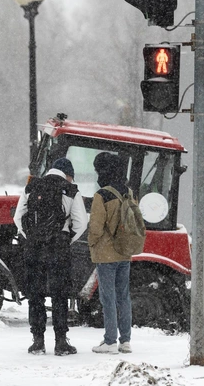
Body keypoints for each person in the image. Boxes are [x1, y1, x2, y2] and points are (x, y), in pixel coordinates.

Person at [13, 158, 88, 356]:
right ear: (68, 174)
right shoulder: (71, 190)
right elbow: (81, 223)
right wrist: (66, 239)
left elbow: (18, 217)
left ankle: (37, 342)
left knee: (35, 294)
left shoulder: (32, 186)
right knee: (59, 294)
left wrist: (31, 237)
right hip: (58, 247)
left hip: (34, 247)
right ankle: (61, 342)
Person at [88, 152, 134, 354]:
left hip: (106, 255)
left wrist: (91, 243)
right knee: (123, 296)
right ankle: (125, 341)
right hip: (125, 252)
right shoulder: (129, 193)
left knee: (108, 298)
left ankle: (109, 341)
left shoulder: (102, 195)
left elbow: (96, 228)